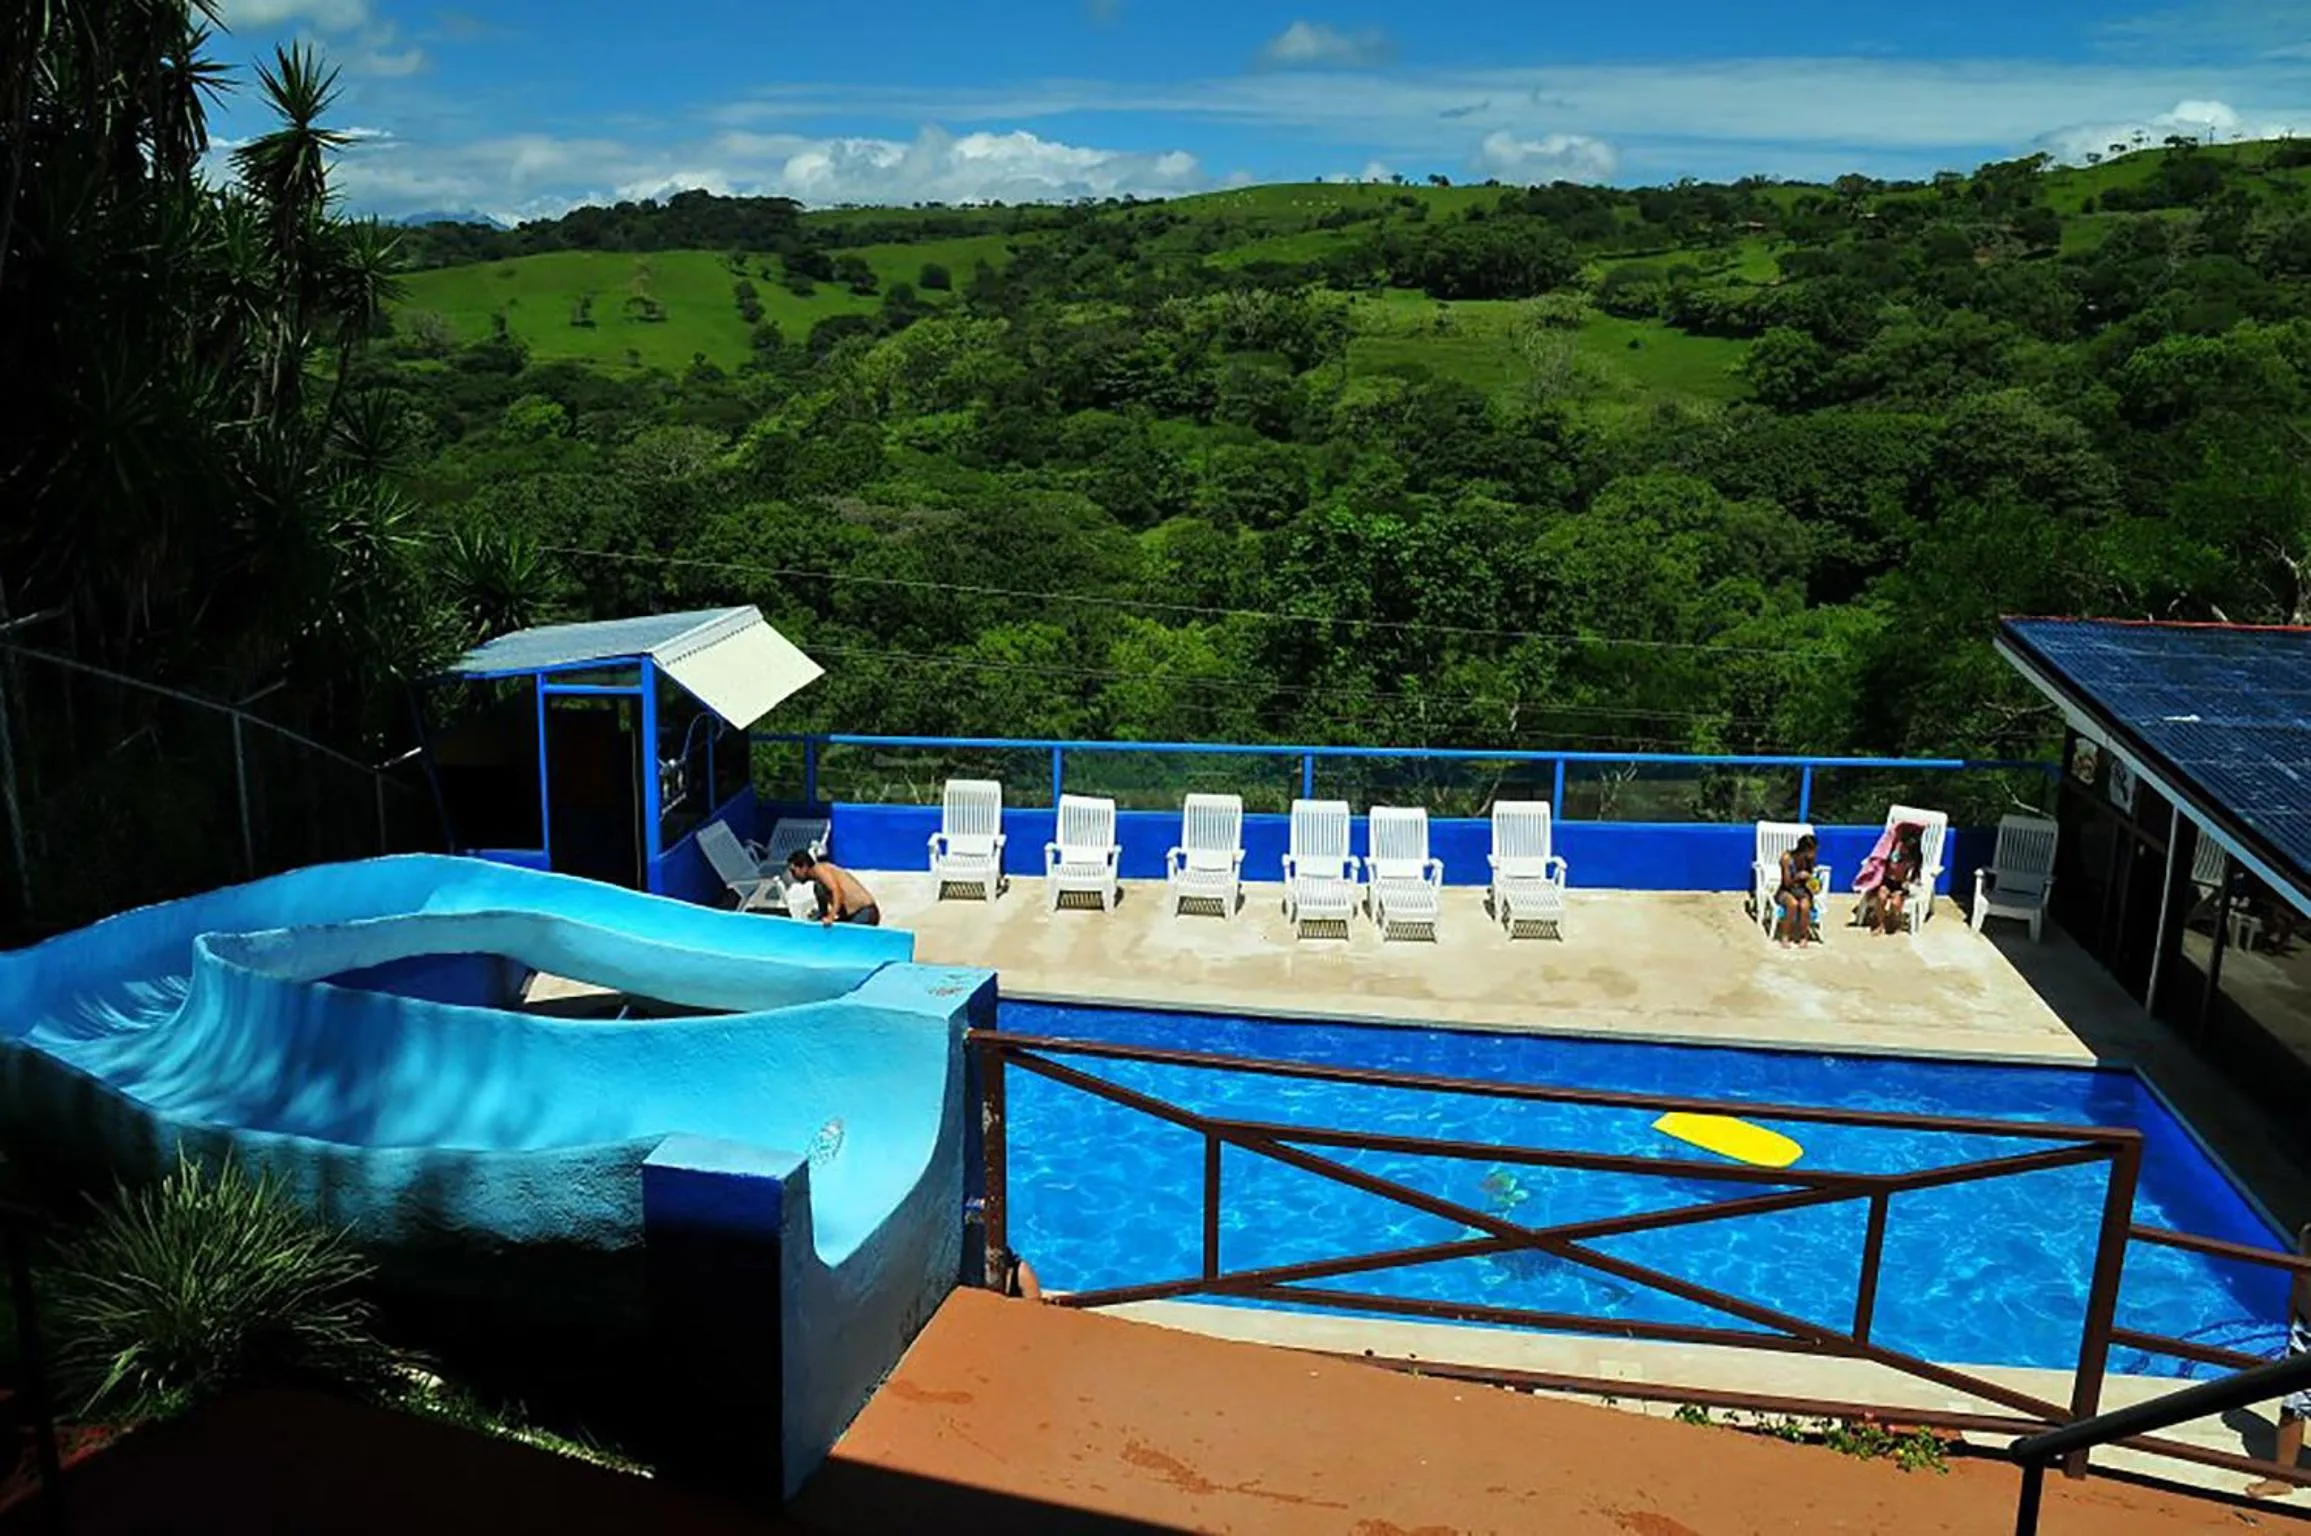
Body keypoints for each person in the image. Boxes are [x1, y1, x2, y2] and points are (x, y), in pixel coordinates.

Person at [2247, 1222, 2311, 1497]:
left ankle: (2282, 1475)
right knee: (2292, 1405)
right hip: (2306, 1329)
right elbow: (2299, 1276)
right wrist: (2292, 1312)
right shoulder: (2308, 1233)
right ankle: (2282, 1476)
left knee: (2293, 1404)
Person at [1858, 822, 1924, 935]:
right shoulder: (1892, 848)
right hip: (1887, 881)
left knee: (1895, 903)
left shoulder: (1914, 859)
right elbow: (1881, 856)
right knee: (1881, 896)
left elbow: (1913, 878)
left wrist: (1905, 887)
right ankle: (1880, 923)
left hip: (1901, 884)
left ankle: (1892, 919)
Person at [786, 849, 880, 927]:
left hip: (865, 912)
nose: (793, 876)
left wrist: (831, 917)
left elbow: (837, 891)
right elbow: (823, 914)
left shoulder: (821, 870)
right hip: (850, 916)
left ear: (804, 867)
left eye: (794, 871)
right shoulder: (818, 886)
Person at [1774, 833, 1821, 948]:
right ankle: (1785, 936)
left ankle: (1803, 936)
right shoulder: (1787, 859)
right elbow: (1786, 883)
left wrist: (1812, 881)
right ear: (1805, 850)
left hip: (1802, 890)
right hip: (1786, 891)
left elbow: (1811, 884)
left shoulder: (1809, 860)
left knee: (1805, 906)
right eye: (1813, 851)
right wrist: (1798, 876)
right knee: (1793, 904)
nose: (1815, 854)